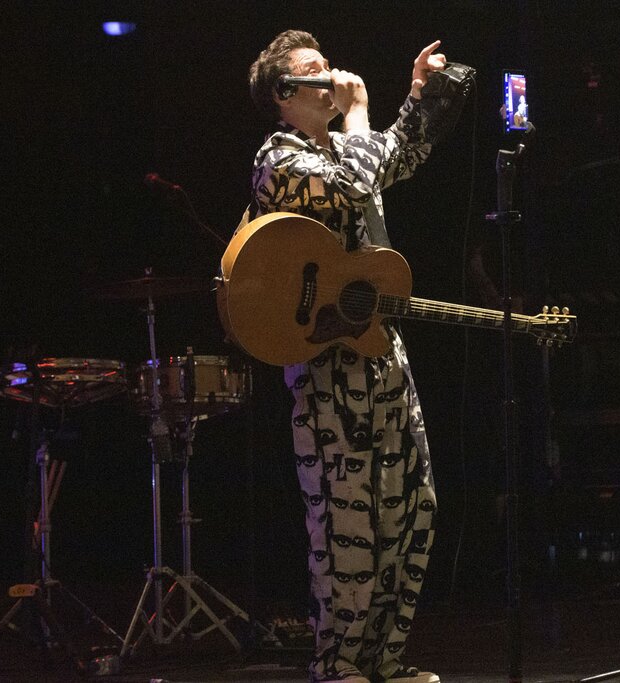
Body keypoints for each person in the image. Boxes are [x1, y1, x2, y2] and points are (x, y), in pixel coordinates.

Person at [246, 30, 446, 683]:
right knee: (347, 520)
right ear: (285, 93)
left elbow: (398, 155)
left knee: (410, 503)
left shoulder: (343, 148)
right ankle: (338, 663)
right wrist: (360, 112)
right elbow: (357, 180)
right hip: (328, 364)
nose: (331, 74)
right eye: (315, 69)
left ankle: (383, 657)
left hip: (381, 349)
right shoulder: (278, 158)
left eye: (328, 63)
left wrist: (420, 95)